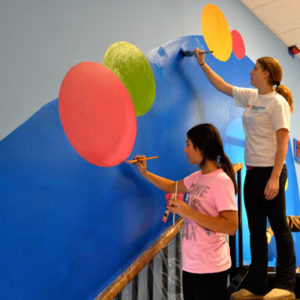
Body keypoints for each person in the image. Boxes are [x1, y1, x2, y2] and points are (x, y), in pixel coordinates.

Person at [195, 50, 296, 300]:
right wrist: (202, 64)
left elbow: (284, 142)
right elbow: (222, 86)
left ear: (266, 74)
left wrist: (274, 178)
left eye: (255, 69)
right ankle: (258, 284)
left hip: (272, 172)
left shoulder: (278, 102)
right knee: (255, 228)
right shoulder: (251, 96)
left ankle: (286, 284)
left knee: (279, 226)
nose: (250, 72)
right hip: (252, 172)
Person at [133, 123, 238, 300]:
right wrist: (145, 173)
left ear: (201, 148)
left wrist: (189, 213)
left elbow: (231, 226)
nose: (185, 149)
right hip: (192, 266)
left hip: (212, 268)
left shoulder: (221, 181)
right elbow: (172, 186)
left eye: (188, 144)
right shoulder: (197, 177)